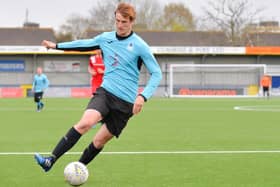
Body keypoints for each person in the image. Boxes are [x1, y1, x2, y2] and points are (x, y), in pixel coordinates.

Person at [34, 2, 162, 172]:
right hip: (105, 93)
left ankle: (78, 169)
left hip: (125, 104)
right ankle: (50, 160)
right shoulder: (105, 38)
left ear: (132, 22)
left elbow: (157, 73)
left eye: (124, 22)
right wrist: (56, 46)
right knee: (84, 124)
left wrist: (143, 96)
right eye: (117, 21)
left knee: (98, 141)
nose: (120, 25)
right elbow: (82, 44)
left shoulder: (140, 45)